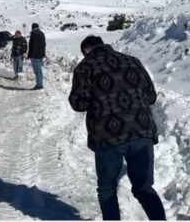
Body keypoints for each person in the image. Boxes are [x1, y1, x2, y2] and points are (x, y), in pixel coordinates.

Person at [69, 36, 166, 221]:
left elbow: (78, 104)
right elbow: (151, 96)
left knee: (107, 189)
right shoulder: (133, 61)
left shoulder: (84, 67)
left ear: (86, 50)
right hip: (142, 132)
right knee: (144, 187)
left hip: (107, 136)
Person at [27, 23, 46, 90]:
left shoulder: (34, 34)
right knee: (39, 70)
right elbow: (44, 45)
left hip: (35, 56)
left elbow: (33, 46)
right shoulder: (41, 34)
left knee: (37, 71)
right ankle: (40, 84)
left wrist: (31, 55)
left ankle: (39, 85)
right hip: (40, 55)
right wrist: (43, 54)